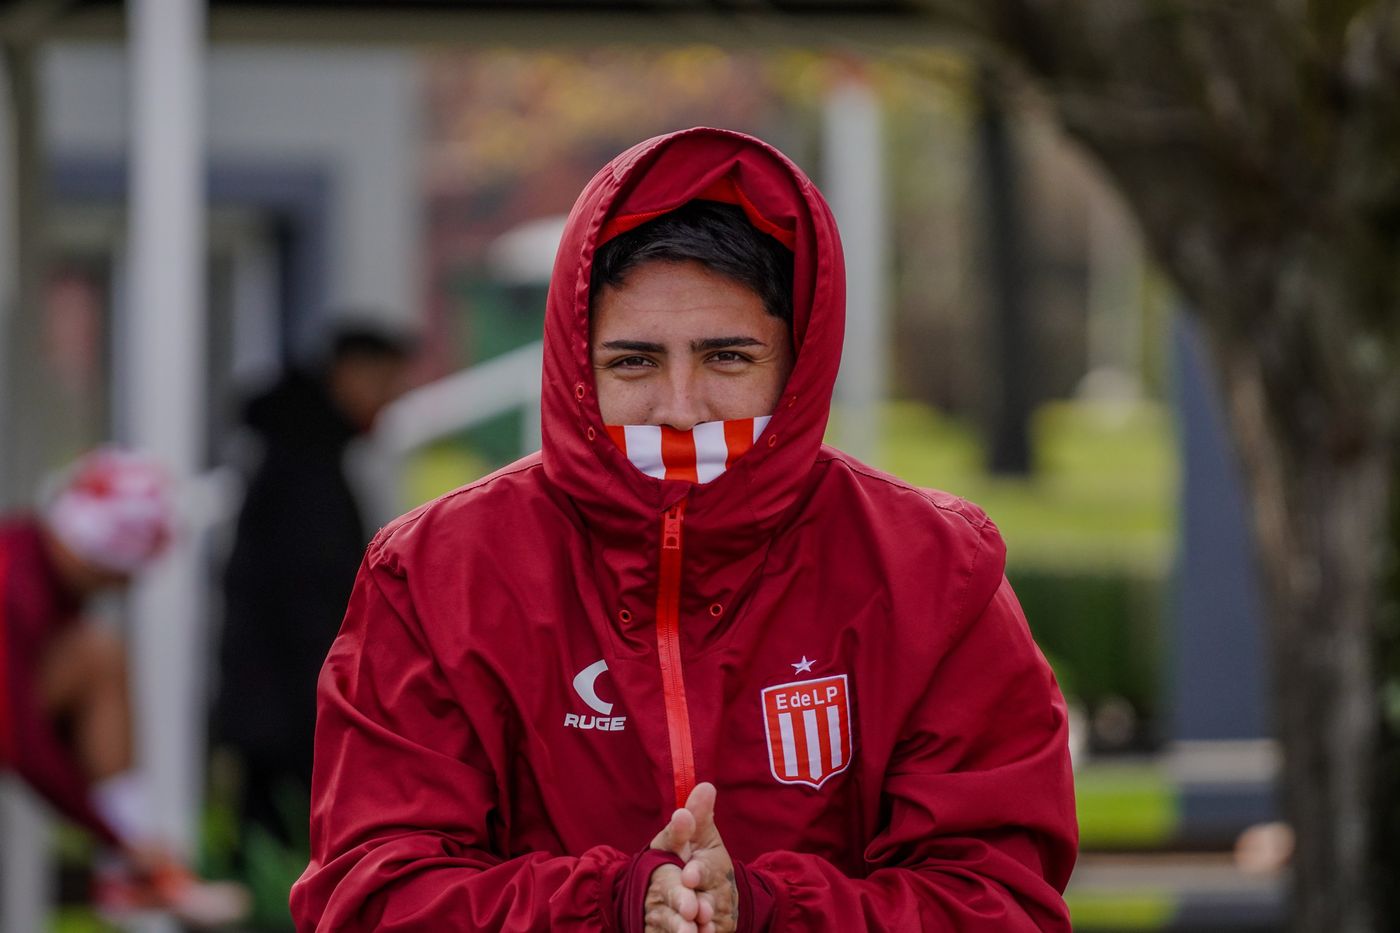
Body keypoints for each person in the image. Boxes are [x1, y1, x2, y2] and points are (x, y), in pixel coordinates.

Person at [291, 127, 1077, 932]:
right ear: (575, 364)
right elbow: (372, 896)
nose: (679, 406)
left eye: (727, 358)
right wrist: (611, 907)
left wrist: (770, 912)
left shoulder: (935, 571)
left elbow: (999, 900)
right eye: (634, 362)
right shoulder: (435, 574)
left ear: (797, 360)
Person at [0, 447, 248, 924]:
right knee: (100, 658)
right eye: (124, 578)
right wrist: (110, 836)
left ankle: (133, 863)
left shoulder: (30, 566)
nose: (123, 590)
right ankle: (133, 862)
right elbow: (18, 737)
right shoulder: (16, 583)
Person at [214, 322, 413, 850]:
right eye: (384, 383)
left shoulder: (294, 448)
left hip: (274, 694)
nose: (387, 402)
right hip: (290, 701)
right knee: (288, 850)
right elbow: (310, 599)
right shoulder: (308, 465)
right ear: (348, 374)